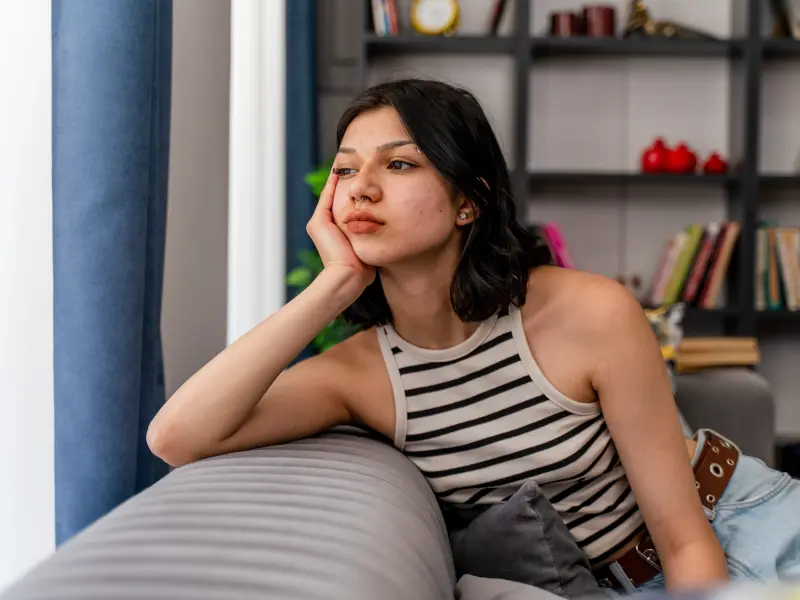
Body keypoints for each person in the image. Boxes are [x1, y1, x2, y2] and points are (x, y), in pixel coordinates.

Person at [147, 78, 800, 595]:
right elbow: (176, 438)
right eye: (345, 171)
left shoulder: (589, 311)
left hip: (742, 529)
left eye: (399, 165)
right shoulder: (360, 377)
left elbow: (684, 540)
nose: (361, 187)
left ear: (470, 201)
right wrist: (336, 284)